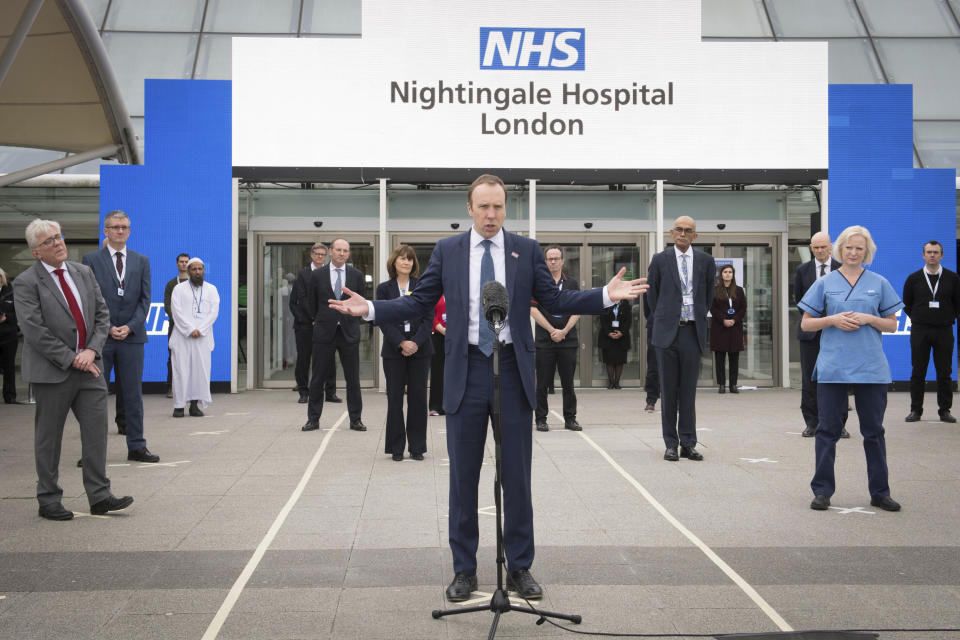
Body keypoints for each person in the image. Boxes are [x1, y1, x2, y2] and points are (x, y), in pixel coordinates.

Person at [328, 174, 646, 603]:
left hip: (513, 371)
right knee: (463, 479)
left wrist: (604, 296)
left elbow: (554, 301)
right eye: (484, 207)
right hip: (466, 372)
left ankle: (519, 567)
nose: (491, 214)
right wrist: (371, 308)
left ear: (505, 208)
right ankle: (464, 570)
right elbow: (419, 301)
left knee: (516, 476)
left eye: (498, 207)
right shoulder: (448, 251)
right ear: (469, 209)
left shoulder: (526, 250)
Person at [13, 219, 133, 520]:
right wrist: (71, 357)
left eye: (59, 236)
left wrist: (91, 351)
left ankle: (100, 495)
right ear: (36, 252)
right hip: (53, 372)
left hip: (90, 368)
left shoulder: (83, 272)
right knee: (49, 438)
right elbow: (34, 330)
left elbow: (102, 314)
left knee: (96, 433)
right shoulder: (26, 282)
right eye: (49, 241)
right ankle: (48, 498)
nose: (58, 243)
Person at [799, 225, 903, 512]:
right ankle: (822, 491)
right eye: (849, 248)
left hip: (870, 367)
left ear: (866, 251)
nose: (854, 252)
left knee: (874, 432)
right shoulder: (825, 283)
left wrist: (870, 318)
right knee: (827, 430)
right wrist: (832, 320)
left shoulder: (879, 282)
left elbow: (893, 324)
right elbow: (806, 323)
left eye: (859, 248)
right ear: (840, 250)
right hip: (833, 366)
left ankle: (880, 492)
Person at [82, 210, 159, 464]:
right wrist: (108, 327)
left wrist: (130, 326)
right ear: (106, 231)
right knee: (94, 397)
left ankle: (137, 446)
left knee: (133, 394)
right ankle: (92, 452)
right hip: (101, 339)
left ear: (129, 230)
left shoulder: (141, 261)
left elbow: (145, 300)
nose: (120, 231)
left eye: (124, 227)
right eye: (115, 227)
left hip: (132, 338)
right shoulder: (91, 260)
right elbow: (89, 299)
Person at [647, 215, 716, 462]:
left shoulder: (706, 261)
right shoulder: (660, 260)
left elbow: (708, 295)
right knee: (668, 391)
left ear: (695, 235)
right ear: (671, 233)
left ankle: (688, 442)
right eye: (679, 229)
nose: (683, 234)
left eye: (688, 230)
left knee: (688, 392)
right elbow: (651, 297)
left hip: (691, 332)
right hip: (667, 333)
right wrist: (665, 318)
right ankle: (670, 443)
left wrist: (692, 315)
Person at [375, 245, 433, 460]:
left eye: (410, 259)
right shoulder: (384, 289)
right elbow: (382, 318)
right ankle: (396, 448)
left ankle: (417, 447)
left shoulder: (423, 286)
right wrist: (401, 342)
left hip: (420, 350)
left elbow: (428, 319)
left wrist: (415, 342)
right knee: (395, 399)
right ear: (394, 262)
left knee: (418, 399)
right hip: (393, 351)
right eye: (402, 259)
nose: (406, 262)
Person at [302, 238, 365, 432]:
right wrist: (321, 319)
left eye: (345, 250)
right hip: (324, 332)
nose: (342, 253)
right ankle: (313, 419)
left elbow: (360, 302)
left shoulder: (356, 275)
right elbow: (311, 303)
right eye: (338, 250)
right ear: (330, 251)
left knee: (353, 379)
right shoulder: (318, 275)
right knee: (318, 377)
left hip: (348, 332)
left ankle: (356, 419)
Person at [794, 232, 849, 438]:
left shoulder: (842, 270)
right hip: (811, 333)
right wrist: (817, 321)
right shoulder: (802, 270)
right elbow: (799, 300)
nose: (819, 251)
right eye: (815, 248)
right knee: (810, 379)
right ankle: (812, 423)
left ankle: (839, 423)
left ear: (830, 247)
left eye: (823, 247)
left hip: (838, 333)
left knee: (838, 377)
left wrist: (833, 321)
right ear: (811, 248)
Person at [902, 240, 960, 424]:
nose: (932, 255)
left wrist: (945, 317)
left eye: (936, 252)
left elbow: (957, 304)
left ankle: (945, 411)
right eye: (929, 252)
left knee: (945, 372)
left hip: (944, 330)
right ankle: (915, 410)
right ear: (923, 255)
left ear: (942, 255)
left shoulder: (953, 278)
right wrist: (921, 317)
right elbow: (907, 304)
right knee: (918, 371)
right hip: (920, 330)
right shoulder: (914, 278)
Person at [531, 246, 581, 432]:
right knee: (542, 383)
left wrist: (564, 331)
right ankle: (541, 419)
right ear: (545, 262)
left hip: (567, 341)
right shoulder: (538, 284)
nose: (552, 262)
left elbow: (578, 309)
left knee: (568, 382)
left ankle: (570, 419)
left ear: (562, 261)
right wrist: (553, 330)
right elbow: (533, 309)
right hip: (545, 340)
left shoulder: (572, 283)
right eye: (549, 259)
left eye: (556, 258)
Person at [169, 258, 220, 417]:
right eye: (194, 269)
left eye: (200, 269)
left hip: (202, 338)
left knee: (200, 372)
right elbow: (176, 311)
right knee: (181, 371)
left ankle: (194, 405)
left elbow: (213, 312)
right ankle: (179, 406)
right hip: (183, 337)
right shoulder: (178, 289)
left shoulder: (212, 289)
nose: (197, 272)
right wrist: (190, 329)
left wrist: (201, 329)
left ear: (204, 270)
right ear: (188, 271)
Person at [290, 243, 339, 404]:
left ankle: (330, 392)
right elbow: (298, 301)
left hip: (324, 324)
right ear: (311, 255)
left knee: (329, 359)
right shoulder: (303, 275)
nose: (320, 257)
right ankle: (304, 392)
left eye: (322, 254)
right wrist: (309, 319)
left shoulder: (329, 274)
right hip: (305, 325)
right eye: (317, 254)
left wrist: (320, 320)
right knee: (304, 359)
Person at [710, 264, 746, 394]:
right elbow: (712, 308)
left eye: (730, 272)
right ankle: (721, 384)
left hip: (734, 328)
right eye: (725, 272)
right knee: (720, 358)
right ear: (721, 275)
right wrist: (723, 320)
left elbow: (743, 308)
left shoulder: (739, 290)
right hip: (720, 328)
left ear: (733, 274)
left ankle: (733, 385)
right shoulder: (715, 290)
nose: (728, 274)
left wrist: (734, 319)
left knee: (734, 358)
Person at [164, 253, 190, 398]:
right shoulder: (171, 284)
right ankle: (171, 387)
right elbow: (167, 305)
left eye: (186, 262)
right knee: (173, 356)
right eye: (181, 262)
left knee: (192, 357)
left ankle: (191, 389)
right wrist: (178, 320)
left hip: (192, 328)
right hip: (175, 326)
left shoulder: (195, 283)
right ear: (177, 264)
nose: (183, 264)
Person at [598, 299, 631, 390]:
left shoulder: (626, 304)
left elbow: (628, 321)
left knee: (620, 360)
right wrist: (609, 333)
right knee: (609, 361)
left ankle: (617, 383)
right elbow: (602, 320)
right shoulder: (606, 303)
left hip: (622, 337)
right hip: (607, 337)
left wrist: (621, 332)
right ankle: (611, 383)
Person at [1, 267, 21, 403]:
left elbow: (19, 313)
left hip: (9, 336)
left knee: (9, 366)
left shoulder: (11, 293)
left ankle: (10, 396)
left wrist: (6, 317)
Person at [428, 295, 446, 416]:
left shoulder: (458, 291)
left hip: (455, 335)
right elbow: (430, 314)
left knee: (454, 371)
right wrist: (441, 329)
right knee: (437, 370)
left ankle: (450, 405)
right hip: (437, 335)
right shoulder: (436, 294)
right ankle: (435, 406)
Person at [642, 294, 658, 411]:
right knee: (653, 365)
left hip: (673, 325)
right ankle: (651, 400)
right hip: (655, 326)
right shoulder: (649, 287)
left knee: (674, 366)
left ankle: (676, 400)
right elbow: (647, 311)